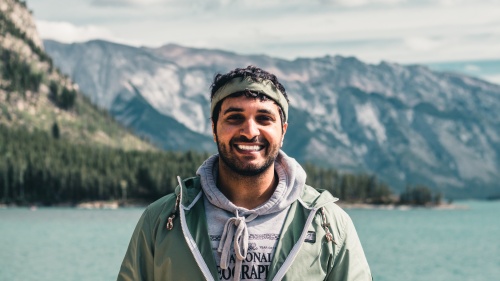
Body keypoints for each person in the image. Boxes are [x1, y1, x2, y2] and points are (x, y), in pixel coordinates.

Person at [117, 65, 372, 281]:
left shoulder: (328, 223)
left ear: (283, 131)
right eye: (234, 117)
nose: (250, 132)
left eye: (264, 118)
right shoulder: (161, 219)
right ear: (214, 128)